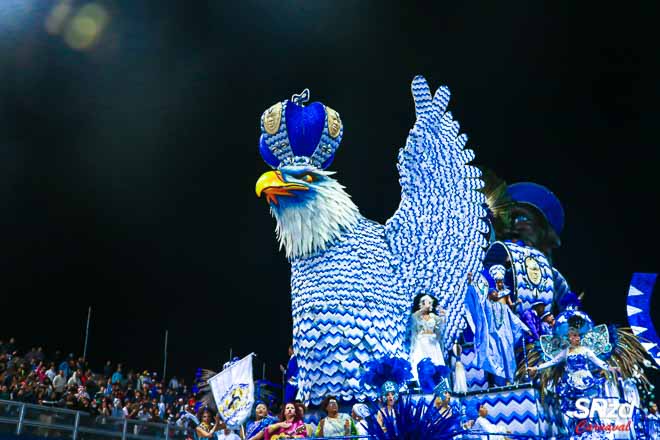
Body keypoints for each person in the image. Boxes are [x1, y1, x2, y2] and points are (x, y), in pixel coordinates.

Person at [527, 327, 618, 411]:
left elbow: (598, 361)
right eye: (574, 336)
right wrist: (535, 368)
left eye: (578, 336)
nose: (578, 338)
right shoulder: (565, 352)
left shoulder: (585, 350)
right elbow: (552, 362)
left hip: (586, 381)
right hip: (572, 383)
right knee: (575, 409)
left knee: (589, 407)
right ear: (569, 338)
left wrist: (610, 368)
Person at [408, 293, 446, 381]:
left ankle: (437, 380)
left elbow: (440, 327)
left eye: (430, 303)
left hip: (432, 342)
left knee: (435, 361)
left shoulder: (434, 317)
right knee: (421, 360)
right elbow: (413, 325)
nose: (428, 305)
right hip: (421, 342)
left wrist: (444, 316)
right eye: (426, 302)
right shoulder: (417, 316)